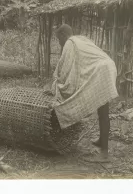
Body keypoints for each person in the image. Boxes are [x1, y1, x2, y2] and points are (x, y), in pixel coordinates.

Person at [44, 24, 118, 162]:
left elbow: (65, 69)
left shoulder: (70, 43)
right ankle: (102, 141)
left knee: (103, 111)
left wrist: (57, 83)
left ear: (63, 35)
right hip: (108, 66)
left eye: (58, 39)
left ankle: (104, 154)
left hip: (102, 70)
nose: (59, 43)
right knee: (102, 108)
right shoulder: (81, 39)